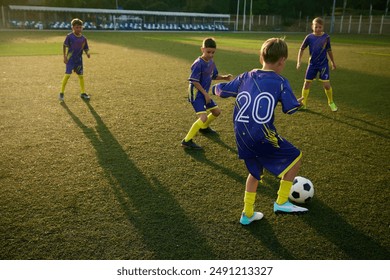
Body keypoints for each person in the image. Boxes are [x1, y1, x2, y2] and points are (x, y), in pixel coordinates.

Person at [212, 37, 308, 225]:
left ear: (261, 57)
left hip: (241, 136)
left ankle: (247, 214)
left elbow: (221, 91)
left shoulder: (246, 76)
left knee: (255, 172)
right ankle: (281, 201)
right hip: (262, 135)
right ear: (282, 60)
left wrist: (216, 86)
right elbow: (290, 109)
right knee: (296, 157)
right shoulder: (280, 81)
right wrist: (299, 103)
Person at [181, 37, 233, 149]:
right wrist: (205, 94)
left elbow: (213, 75)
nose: (210, 54)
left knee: (216, 112)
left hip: (204, 93)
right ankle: (187, 141)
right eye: (208, 52)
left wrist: (224, 77)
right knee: (203, 117)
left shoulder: (211, 62)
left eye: (213, 52)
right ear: (202, 49)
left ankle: (203, 128)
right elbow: (194, 81)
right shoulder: (198, 63)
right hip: (196, 93)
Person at [296, 17, 338, 112]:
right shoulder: (309, 37)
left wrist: (333, 62)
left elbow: (329, 50)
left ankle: (331, 102)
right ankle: (304, 104)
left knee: (326, 85)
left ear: (323, 27)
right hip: (312, 65)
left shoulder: (326, 37)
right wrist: (299, 61)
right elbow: (301, 49)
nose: (318, 29)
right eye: (316, 27)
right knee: (306, 83)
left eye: (320, 27)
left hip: (323, 65)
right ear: (312, 27)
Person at [59, 18, 90, 102]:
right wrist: (65, 56)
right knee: (67, 75)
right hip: (70, 59)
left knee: (81, 76)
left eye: (80, 27)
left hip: (79, 60)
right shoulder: (69, 36)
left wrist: (87, 53)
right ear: (72, 27)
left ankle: (83, 93)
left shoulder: (83, 38)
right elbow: (64, 45)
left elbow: (86, 48)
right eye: (77, 27)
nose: (79, 29)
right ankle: (61, 93)